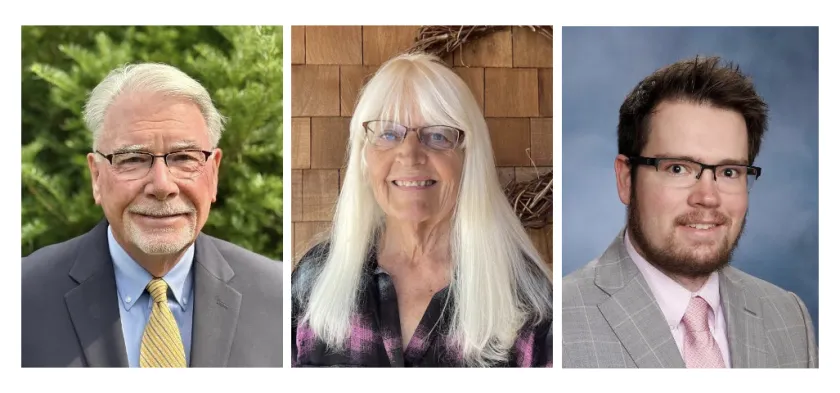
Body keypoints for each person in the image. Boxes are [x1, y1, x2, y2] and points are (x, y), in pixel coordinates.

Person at [291, 52, 553, 367]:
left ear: (469, 157)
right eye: (388, 134)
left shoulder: (527, 298)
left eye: (438, 135)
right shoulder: (311, 281)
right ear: (364, 158)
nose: (411, 154)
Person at [561, 56, 818, 368]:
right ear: (626, 178)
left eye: (728, 172)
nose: (708, 198)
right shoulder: (560, 324)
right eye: (678, 168)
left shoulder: (790, 318)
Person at [22, 63, 283, 367]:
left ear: (213, 173)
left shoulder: (277, 296)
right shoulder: (20, 297)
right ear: (96, 176)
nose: (162, 185)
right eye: (133, 159)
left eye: (184, 157)